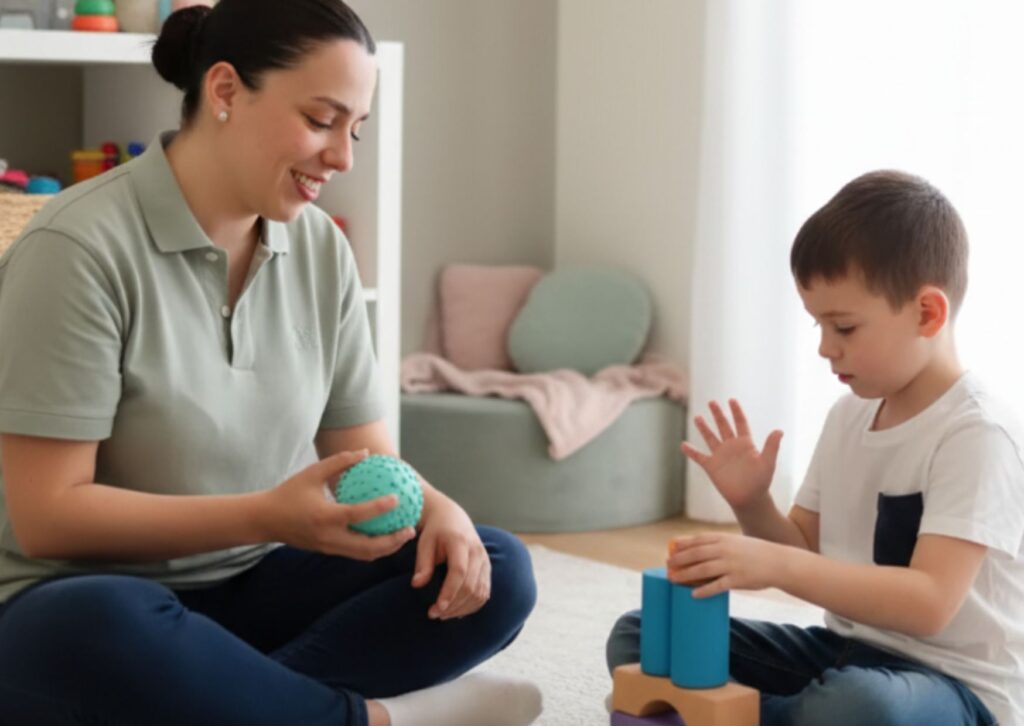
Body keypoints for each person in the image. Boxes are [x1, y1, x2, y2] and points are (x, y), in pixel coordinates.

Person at [0, 2, 541, 725]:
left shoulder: (319, 248)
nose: (343, 157)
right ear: (224, 91)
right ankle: (384, 719)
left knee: (493, 567)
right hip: (79, 597)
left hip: (251, 585)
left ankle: (250, 705)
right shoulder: (77, 248)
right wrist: (267, 515)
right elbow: (48, 518)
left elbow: (362, 456)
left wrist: (437, 509)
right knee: (98, 627)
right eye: (322, 120)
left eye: (356, 128)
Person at [606, 170, 1024, 725]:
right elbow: (804, 549)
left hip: (953, 689)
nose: (826, 348)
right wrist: (753, 505)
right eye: (818, 326)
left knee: (858, 708)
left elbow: (929, 602)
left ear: (927, 313)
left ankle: (727, 717)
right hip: (847, 654)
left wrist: (774, 563)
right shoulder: (849, 414)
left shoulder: (976, 432)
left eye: (844, 327)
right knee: (642, 636)